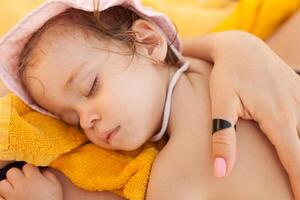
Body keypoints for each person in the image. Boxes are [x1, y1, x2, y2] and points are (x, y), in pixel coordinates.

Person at [0, 0, 299, 199]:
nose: (86, 121)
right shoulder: (167, 176)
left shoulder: (172, 181)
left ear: (148, 41)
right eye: (71, 120)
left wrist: (234, 44)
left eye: (90, 87)